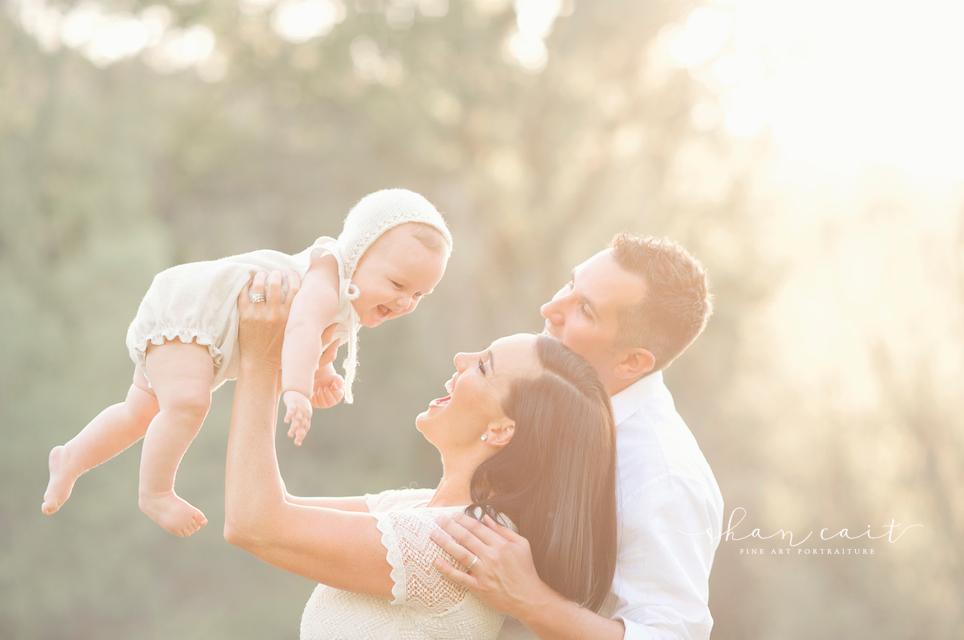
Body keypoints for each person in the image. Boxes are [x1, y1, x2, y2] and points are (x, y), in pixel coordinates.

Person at [225, 269, 618, 640]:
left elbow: (254, 522)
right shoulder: (421, 508)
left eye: (483, 366)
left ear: (501, 429)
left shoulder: (459, 540)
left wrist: (261, 360)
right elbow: (269, 504)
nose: (461, 359)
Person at [41, 188, 452, 537]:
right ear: (357, 253)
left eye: (419, 295)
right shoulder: (327, 278)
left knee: (140, 410)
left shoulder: (347, 306)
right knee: (187, 406)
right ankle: (155, 493)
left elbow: (319, 344)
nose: (404, 302)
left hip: (201, 335)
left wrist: (321, 375)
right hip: (195, 314)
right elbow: (303, 329)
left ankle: (71, 457)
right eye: (398, 284)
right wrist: (295, 389)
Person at [433, 233, 724, 640]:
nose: (549, 309)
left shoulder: (662, 477)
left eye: (584, 310)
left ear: (632, 361)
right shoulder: (546, 397)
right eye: (570, 285)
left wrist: (531, 600)